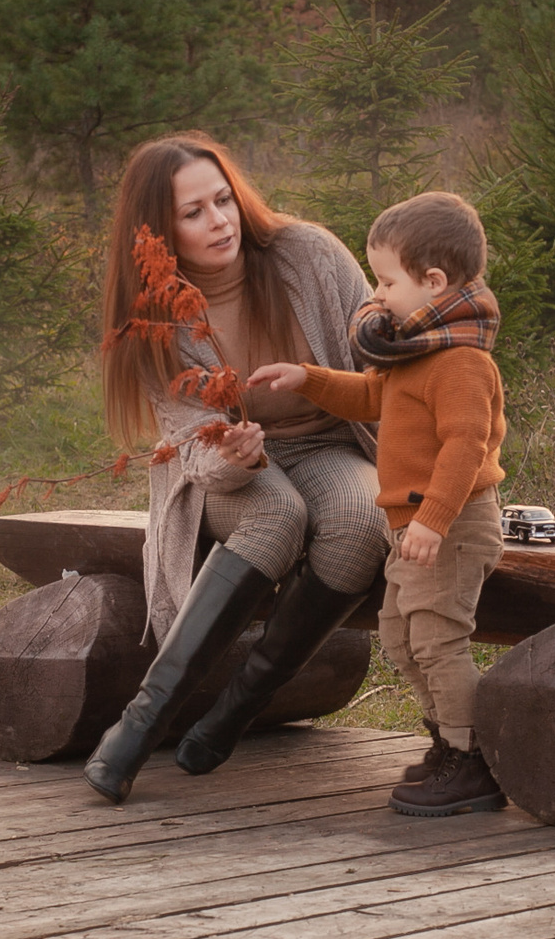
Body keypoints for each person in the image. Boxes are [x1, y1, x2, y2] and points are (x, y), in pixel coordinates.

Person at [83, 134, 389, 804]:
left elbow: (382, 362)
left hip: (331, 445)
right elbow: (190, 448)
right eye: (193, 213)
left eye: (222, 199)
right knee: (277, 512)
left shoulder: (307, 254)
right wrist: (231, 456)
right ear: (158, 233)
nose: (218, 219)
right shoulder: (154, 315)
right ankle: (140, 723)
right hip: (229, 474)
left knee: (364, 518)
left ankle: (237, 710)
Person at [247, 191, 509, 816]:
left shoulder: (462, 361)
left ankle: (477, 761)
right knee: (398, 637)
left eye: (387, 281)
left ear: (433, 282)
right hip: (411, 525)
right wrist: (306, 377)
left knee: (438, 640)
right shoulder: (415, 349)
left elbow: (465, 447)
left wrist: (433, 521)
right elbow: (371, 397)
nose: (377, 294)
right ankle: (447, 741)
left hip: (448, 525)